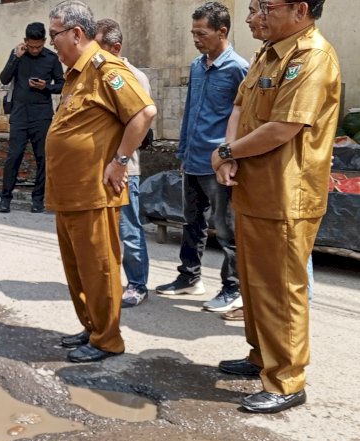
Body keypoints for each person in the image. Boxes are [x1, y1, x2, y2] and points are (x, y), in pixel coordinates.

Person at [213, 0, 339, 413]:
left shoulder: (311, 57)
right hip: (254, 188)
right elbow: (238, 107)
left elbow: (284, 127)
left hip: (286, 195)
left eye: (266, 7)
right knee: (254, 282)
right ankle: (261, 358)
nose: (256, 16)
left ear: (300, 9)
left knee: (282, 289)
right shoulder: (268, 53)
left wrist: (229, 150)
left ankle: (286, 381)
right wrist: (228, 153)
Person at [45, 1, 156, 362]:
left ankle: (107, 339)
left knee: (99, 267)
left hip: (94, 190)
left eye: (54, 37)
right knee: (77, 267)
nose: (52, 45)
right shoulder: (75, 74)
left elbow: (144, 112)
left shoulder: (105, 69)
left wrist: (120, 162)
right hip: (69, 191)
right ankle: (92, 326)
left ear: (76, 34)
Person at [155, 2, 248, 314]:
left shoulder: (238, 68)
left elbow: (245, 119)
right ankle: (189, 278)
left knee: (226, 228)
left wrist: (230, 156)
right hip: (193, 158)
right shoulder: (197, 66)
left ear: (222, 31)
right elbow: (191, 111)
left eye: (202, 33)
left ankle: (233, 288)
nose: (196, 38)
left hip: (218, 164)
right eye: (193, 33)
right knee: (192, 222)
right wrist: (183, 151)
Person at [94, 18, 152, 308]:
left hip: (125, 167)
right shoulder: (95, 74)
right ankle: (112, 280)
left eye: (100, 47)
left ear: (115, 47)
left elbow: (141, 122)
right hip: (99, 167)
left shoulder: (132, 77)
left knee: (129, 229)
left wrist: (121, 161)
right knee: (106, 231)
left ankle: (138, 283)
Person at [0, 22, 65, 214]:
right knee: (13, 157)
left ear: (44, 41)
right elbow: (3, 79)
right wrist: (15, 58)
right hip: (19, 114)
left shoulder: (52, 59)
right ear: (25, 41)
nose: (35, 50)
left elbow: (62, 85)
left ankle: (38, 199)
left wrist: (47, 87)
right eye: (31, 46)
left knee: (43, 158)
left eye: (39, 46)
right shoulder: (17, 54)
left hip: (42, 115)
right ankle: (5, 198)